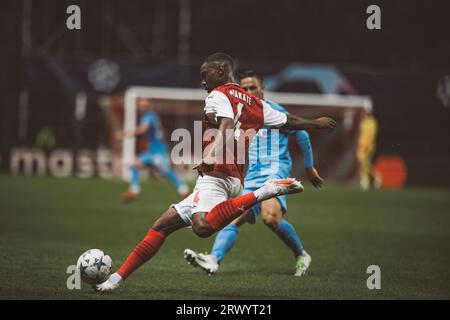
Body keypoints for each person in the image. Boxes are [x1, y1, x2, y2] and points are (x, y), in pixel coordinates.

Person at [96, 53, 336, 292]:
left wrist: (211, 154)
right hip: (236, 179)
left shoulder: (218, 94)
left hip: (216, 174)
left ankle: (265, 192)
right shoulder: (256, 104)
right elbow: (289, 121)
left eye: (204, 75)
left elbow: (227, 124)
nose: (202, 82)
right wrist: (317, 123)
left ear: (220, 72)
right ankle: (114, 281)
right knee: (162, 226)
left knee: (201, 227)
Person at [184, 70, 324, 276]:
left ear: (262, 88)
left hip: (275, 170)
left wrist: (309, 168)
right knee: (231, 219)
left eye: (253, 87)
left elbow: (301, 133)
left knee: (270, 218)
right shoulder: (243, 114)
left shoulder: (272, 110)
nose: (249, 91)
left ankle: (302, 255)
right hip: (252, 175)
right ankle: (213, 259)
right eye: (245, 88)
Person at [117, 98, 190, 202]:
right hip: (152, 151)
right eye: (141, 106)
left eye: (144, 106)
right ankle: (134, 191)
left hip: (158, 152)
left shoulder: (149, 116)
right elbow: (160, 132)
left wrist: (124, 134)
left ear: (149, 106)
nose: (142, 108)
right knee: (134, 165)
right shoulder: (152, 116)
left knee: (166, 172)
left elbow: (144, 129)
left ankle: (184, 190)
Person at [357, 110, 380, 190]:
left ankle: (373, 177)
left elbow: (371, 135)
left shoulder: (372, 122)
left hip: (368, 146)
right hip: (362, 145)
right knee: (364, 162)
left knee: (363, 161)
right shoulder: (363, 121)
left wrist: (367, 144)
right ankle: (367, 180)